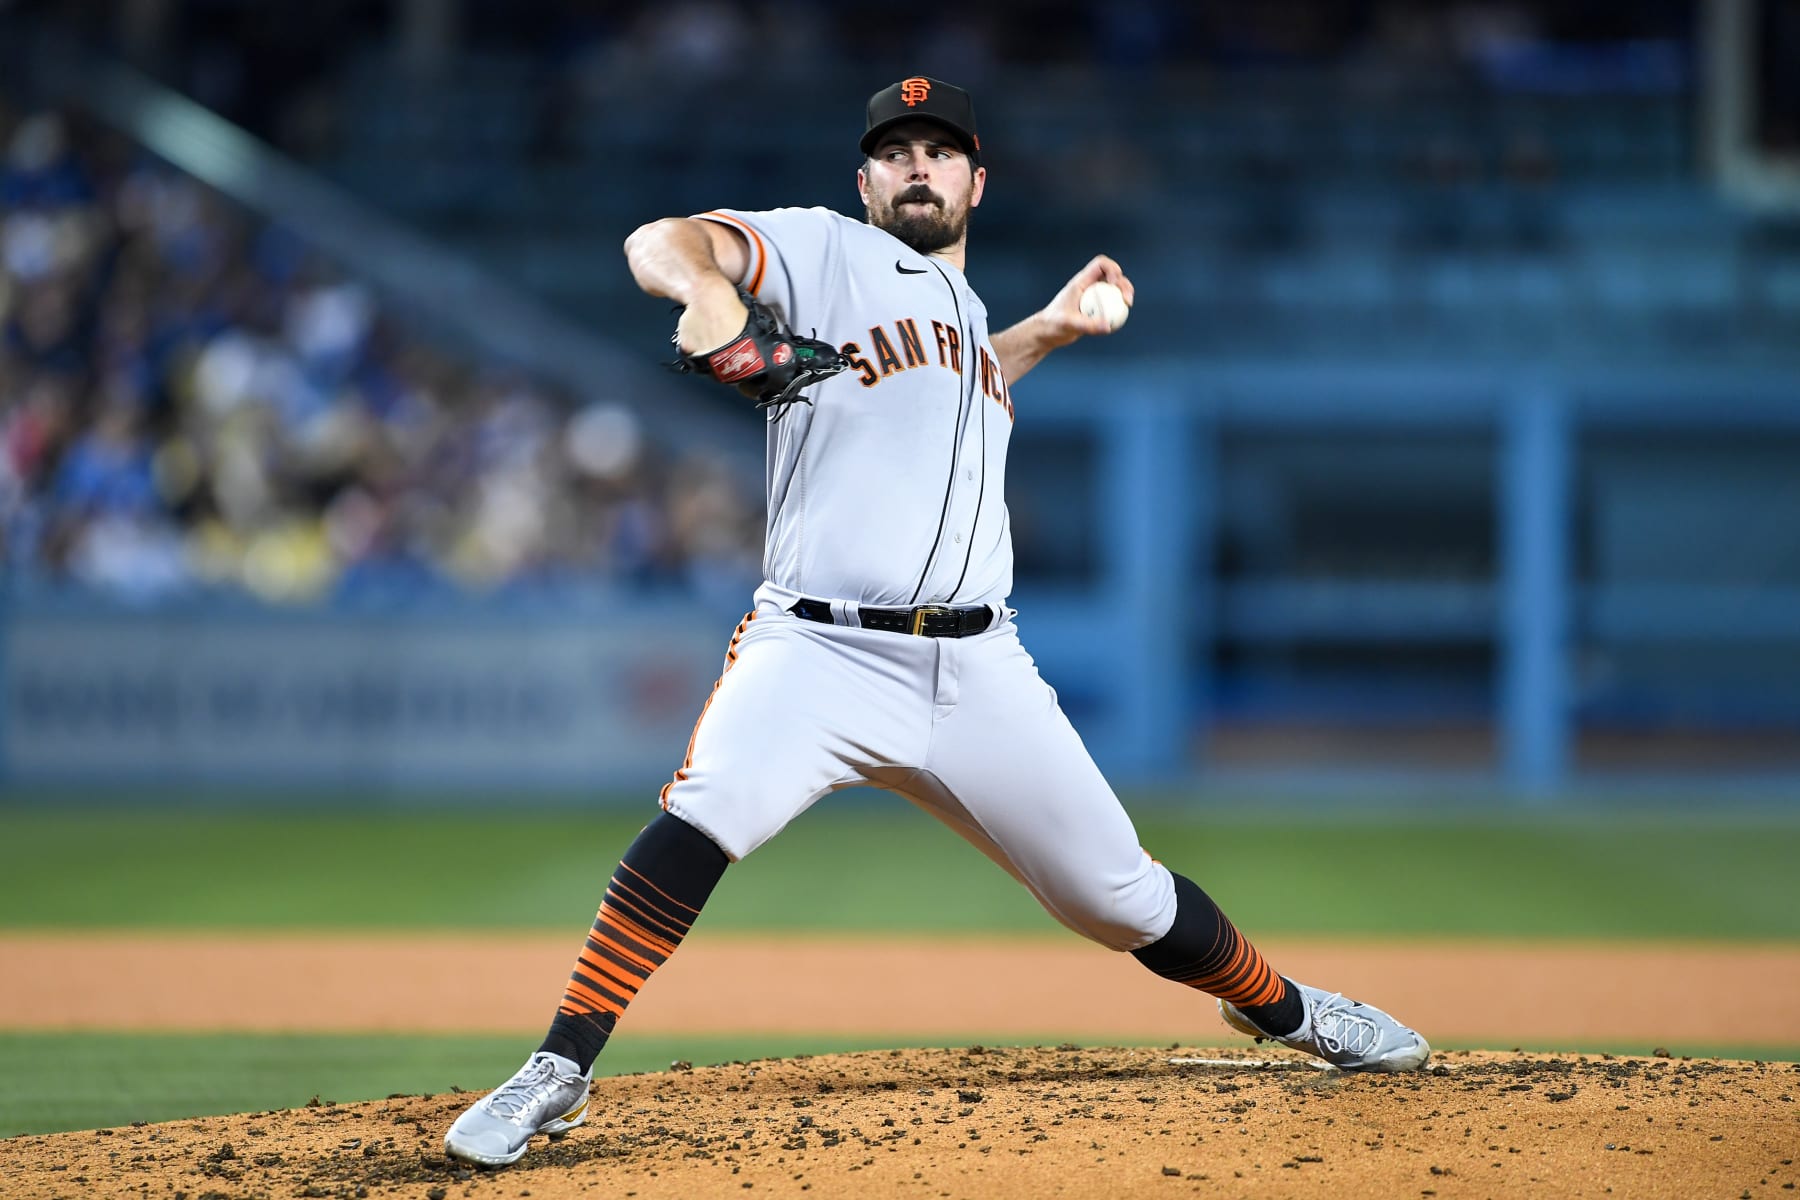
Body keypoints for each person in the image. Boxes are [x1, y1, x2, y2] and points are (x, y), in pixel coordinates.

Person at [444, 75, 1429, 1167]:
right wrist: (712, 299)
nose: (920, 166)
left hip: (978, 667)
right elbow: (660, 240)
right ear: (865, 182)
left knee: (1120, 895)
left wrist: (1046, 331)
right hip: (817, 648)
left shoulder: (959, 311)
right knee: (704, 814)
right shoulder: (826, 253)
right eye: (897, 151)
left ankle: (1284, 1009)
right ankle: (560, 1066)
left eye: (940, 150)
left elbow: (961, 386)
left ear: (976, 180)